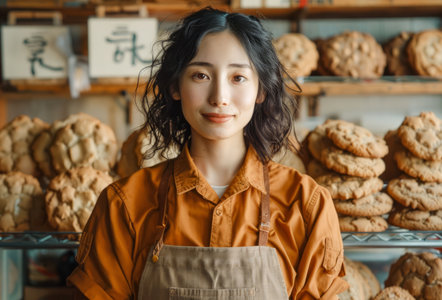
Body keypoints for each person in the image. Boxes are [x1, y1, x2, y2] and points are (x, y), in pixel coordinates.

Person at [68, 7, 347, 299]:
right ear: (175, 86)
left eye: (238, 78)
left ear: (260, 91)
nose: (219, 98)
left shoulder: (305, 204)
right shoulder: (123, 205)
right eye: (201, 75)